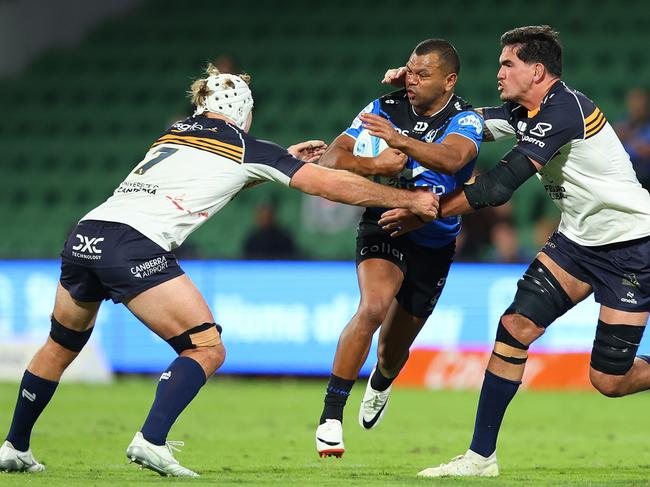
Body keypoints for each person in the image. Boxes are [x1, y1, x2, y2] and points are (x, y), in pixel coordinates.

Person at [0, 64, 439, 477]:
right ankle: (152, 439)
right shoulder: (248, 146)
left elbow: (210, 174)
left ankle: (15, 446)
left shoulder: (173, 134)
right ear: (244, 111)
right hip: (133, 244)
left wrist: (280, 160)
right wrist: (406, 199)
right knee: (206, 347)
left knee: (60, 345)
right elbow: (329, 184)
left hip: (87, 234)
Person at [379, 25, 650, 478]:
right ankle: (480, 457)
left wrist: (425, 211)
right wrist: (413, 90)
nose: (499, 72)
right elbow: (459, 122)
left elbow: (498, 186)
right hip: (577, 243)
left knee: (609, 381)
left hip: (631, 247)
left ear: (537, 70)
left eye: (508, 63)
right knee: (515, 326)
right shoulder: (523, 111)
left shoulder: (565, 110)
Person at [314, 39, 483, 458]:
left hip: (435, 241)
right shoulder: (383, 108)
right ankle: (330, 416)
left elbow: (450, 159)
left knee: (391, 351)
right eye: (409, 70)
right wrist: (376, 166)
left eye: (423, 74)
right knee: (371, 308)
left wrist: (400, 144)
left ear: (449, 80)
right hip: (384, 223)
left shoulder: (465, 119)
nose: (411, 80)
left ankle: (383, 381)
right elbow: (331, 161)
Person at [615, 87, 650, 190]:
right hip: (623, 166)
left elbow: (647, 151)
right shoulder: (622, 122)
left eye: (641, 104)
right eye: (634, 103)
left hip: (643, 169)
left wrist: (629, 138)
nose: (638, 107)